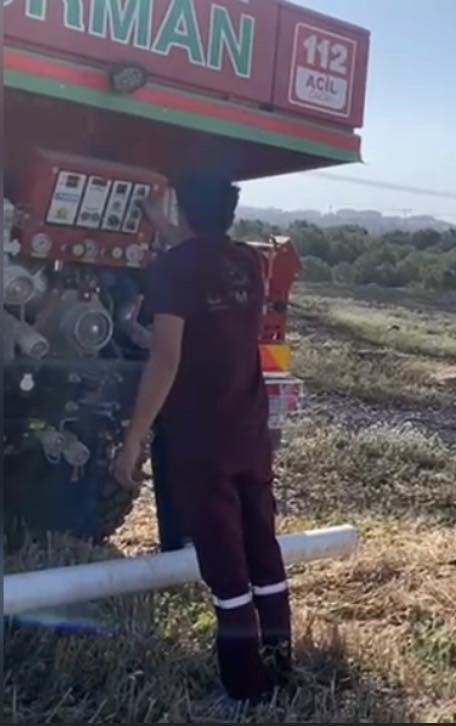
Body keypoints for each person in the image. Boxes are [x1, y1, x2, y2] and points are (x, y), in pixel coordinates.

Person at [111, 173, 290, 704]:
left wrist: (133, 439)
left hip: (201, 438)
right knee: (262, 547)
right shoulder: (249, 265)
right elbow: (203, 260)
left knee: (224, 563)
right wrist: (168, 228)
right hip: (249, 430)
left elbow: (166, 359)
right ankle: (280, 663)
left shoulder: (174, 268)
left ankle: (244, 688)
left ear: (182, 210)